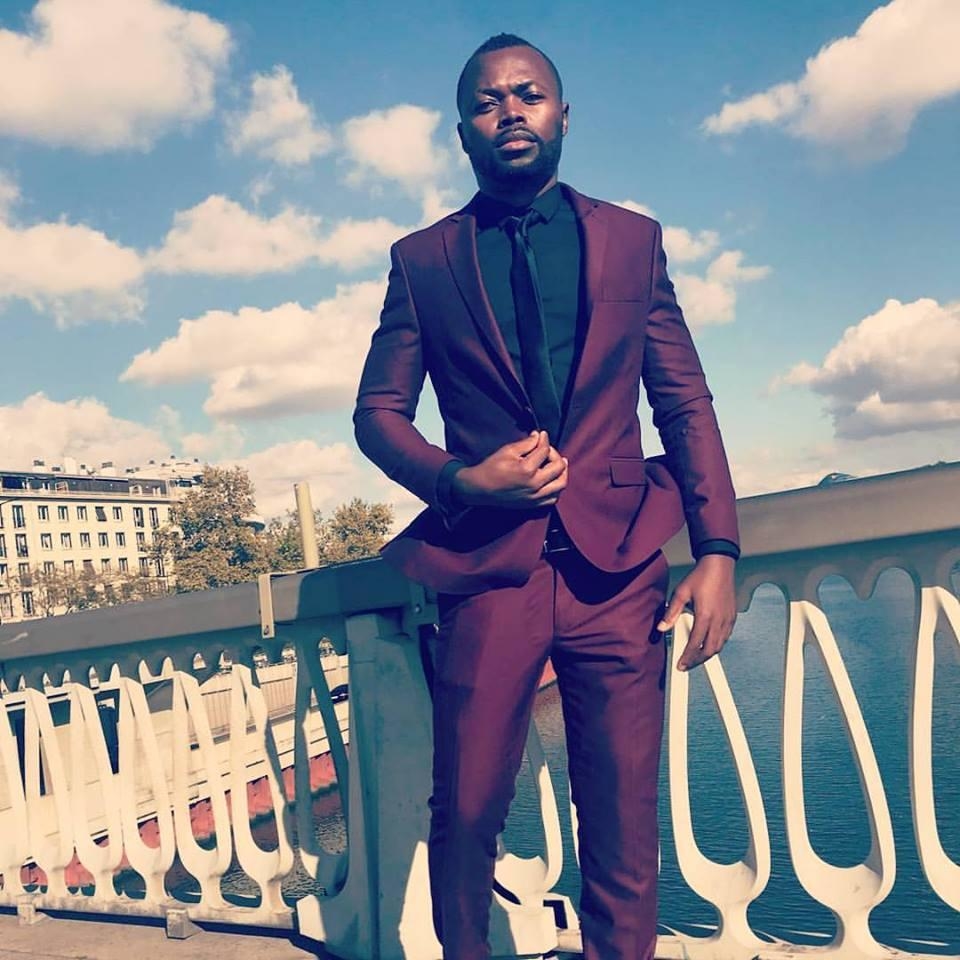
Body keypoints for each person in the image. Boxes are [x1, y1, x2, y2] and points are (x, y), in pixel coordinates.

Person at [354, 33, 739, 960]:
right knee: (466, 810)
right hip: (491, 571)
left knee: (622, 817)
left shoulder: (632, 242)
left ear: (563, 115)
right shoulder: (423, 261)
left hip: (620, 571)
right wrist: (462, 479)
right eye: (487, 102)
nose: (510, 112)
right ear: (463, 132)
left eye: (528, 95)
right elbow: (377, 415)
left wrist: (718, 550)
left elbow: (683, 401)